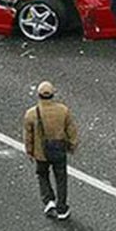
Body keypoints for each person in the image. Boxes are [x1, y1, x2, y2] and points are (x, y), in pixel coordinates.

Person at [24, 81, 78, 220]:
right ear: (53, 94)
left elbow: (28, 136)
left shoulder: (31, 114)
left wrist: (29, 151)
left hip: (41, 152)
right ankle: (62, 208)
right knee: (61, 178)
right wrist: (72, 145)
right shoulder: (63, 110)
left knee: (42, 174)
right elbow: (71, 130)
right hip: (59, 150)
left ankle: (48, 200)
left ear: (38, 95)